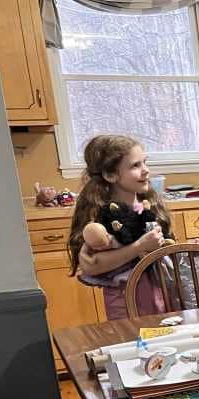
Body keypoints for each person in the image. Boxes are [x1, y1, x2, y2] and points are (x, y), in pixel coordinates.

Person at [67, 135, 172, 320]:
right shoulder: (101, 218)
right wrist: (139, 247)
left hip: (161, 294)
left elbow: (164, 247)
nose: (146, 170)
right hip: (125, 302)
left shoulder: (150, 204)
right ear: (110, 175)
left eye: (145, 163)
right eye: (135, 166)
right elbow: (91, 265)